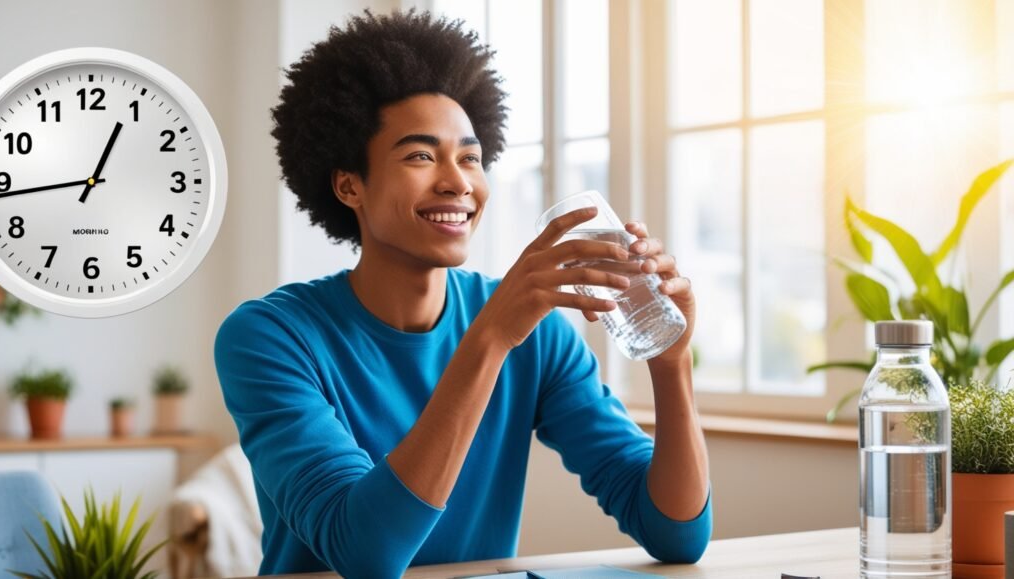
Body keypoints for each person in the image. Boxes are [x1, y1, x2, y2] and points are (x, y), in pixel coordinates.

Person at [214, 9, 711, 577]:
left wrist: (671, 361)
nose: (458, 181)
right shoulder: (269, 338)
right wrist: (491, 337)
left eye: (470, 157)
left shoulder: (539, 335)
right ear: (349, 184)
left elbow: (677, 533)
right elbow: (364, 554)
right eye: (421, 156)